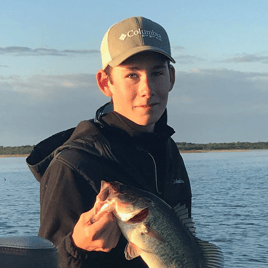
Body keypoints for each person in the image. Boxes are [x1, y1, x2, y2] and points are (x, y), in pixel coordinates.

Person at [26, 16, 192, 268]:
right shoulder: (72, 165)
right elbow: (47, 260)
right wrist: (76, 246)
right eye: (132, 75)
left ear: (171, 77)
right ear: (106, 82)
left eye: (156, 72)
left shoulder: (168, 150)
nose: (147, 88)